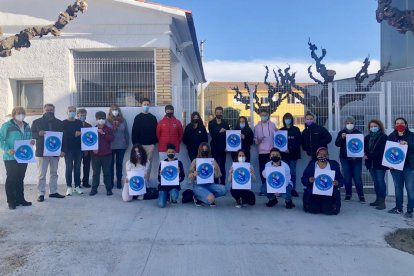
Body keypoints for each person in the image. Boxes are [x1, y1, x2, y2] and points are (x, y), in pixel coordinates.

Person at [0, 107, 34, 209]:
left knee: (20, 178)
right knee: (11, 178)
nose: (21, 115)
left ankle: (20, 199)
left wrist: (31, 142)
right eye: (19, 113)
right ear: (14, 114)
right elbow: (0, 139)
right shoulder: (7, 126)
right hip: (11, 157)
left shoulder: (27, 126)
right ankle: (11, 201)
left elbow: (29, 139)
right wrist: (7, 149)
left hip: (24, 157)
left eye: (23, 113)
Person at [31, 104, 66, 202]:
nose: (49, 112)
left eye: (51, 110)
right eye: (47, 110)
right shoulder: (36, 122)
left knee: (54, 173)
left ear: (54, 110)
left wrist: (62, 150)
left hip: (55, 152)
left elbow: (63, 138)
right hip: (42, 152)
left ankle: (53, 192)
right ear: (43, 110)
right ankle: (41, 193)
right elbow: (31, 134)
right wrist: (38, 134)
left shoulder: (59, 123)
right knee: (41, 174)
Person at [301, 147, 343, 215]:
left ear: (328, 155)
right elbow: (303, 179)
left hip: (328, 193)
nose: (323, 156)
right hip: (314, 192)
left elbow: (341, 180)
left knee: (328, 211)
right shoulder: (312, 165)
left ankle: (328, 204)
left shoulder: (333, 165)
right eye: (320, 154)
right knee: (313, 210)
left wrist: (337, 182)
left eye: (325, 154)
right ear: (317, 155)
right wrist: (309, 180)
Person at [387, 117, 414, 218]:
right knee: (398, 188)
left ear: (406, 125)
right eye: (397, 123)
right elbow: (387, 151)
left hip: (409, 166)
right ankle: (398, 208)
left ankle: (410, 209)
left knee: (410, 188)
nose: (399, 125)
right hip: (395, 166)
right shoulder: (391, 136)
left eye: (401, 123)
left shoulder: (411, 136)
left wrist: (408, 144)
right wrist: (388, 162)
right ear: (395, 125)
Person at [335, 116, 365, 202]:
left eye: (351, 123)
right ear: (345, 124)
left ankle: (361, 195)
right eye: (347, 123)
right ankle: (348, 194)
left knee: (357, 178)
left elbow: (361, 146)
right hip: (345, 159)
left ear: (354, 123)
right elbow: (337, 144)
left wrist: (358, 155)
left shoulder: (358, 133)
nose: (349, 124)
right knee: (347, 178)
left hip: (357, 159)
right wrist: (342, 137)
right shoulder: (341, 132)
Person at [188, 142, 227, 206]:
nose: (204, 151)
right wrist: (193, 174)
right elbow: (189, 176)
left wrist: (215, 167)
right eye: (203, 150)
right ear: (200, 151)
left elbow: (218, 175)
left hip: (209, 185)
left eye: (206, 150)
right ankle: (198, 197)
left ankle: (206, 196)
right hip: (198, 185)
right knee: (211, 200)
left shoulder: (212, 161)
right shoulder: (195, 161)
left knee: (224, 190)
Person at [131, 98, 158, 183]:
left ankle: (146, 182)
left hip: (150, 145)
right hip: (139, 146)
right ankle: (140, 182)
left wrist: (154, 143)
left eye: (147, 104)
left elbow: (156, 132)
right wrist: (136, 145)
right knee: (139, 164)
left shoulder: (153, 118)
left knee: (148, 165)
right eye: (144, 104)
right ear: (141, 105)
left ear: (149, 105)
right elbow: (134, 132)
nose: (146, 106)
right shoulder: (137, 117)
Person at [364, 119, 388, 210]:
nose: (373, 128)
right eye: (371, 126)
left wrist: (368, 156)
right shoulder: (367, 137)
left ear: (379, 127)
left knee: (380, 182)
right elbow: (364, 148)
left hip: (379, 164)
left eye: (375, 126)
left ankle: (382, 202)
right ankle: (378, 199)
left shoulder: (383, 137)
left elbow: (381, 151)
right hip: (370, 164)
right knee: (376, 182)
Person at [89, 111, 114, 196]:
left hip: (107, 154)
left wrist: (103, 133)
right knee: (96, 173)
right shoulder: (92, 130)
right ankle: (94, 189)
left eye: (103, 118)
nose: (101, 120)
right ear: (96, 119)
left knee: (107, 172)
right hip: (95, 155)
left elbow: (111, 139)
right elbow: (89, 142)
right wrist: (92, 149)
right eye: (99, 118)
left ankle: (109, 189)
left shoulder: (109, 129)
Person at [254, 108, 277, 195]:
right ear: (260, 116)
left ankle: (273, 188)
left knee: (272, 169)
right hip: (262, 152)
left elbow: (277, 136)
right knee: (262, 170)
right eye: (262, 115)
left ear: (268, 116)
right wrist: (258, 141)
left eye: (265, 115)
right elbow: (255, 140)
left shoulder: (272, 125)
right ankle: (264, 188)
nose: (264, 117)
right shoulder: (257, 127)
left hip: (272, 152)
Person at [107, 104, 129, 189]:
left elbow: (126, 132)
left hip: (121, 146)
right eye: (113, 110)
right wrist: (113, 128)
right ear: (110, 111)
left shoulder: (123, 121)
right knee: (111, 165)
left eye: (116, 109)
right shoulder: (107, 121)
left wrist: (127, 143)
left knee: (119, 164)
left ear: (119, 111)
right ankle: (111, 182)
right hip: (110, 146)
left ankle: (119, 181)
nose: (115, 111)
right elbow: (106, 133)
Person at [63, 106, 83, 196]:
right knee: (69, 168)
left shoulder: (79, 122)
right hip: (68, 149)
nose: (72, 112)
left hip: (78, 148)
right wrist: (73, 134)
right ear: (67, 112)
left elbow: (82, 134)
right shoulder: (63, 123)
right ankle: (69, 187)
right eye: (70, 111)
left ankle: (77, 186)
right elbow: (63, 136)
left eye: (74, 111)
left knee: (78, 168)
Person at [280, 113, 302, 197]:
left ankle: (293, 189)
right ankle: (284, 188)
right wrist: (283, 150)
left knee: (292, 172)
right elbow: (279, 142)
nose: (287, 120)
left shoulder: (296, 129)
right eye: (286, 118)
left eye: (289, 118)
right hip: (284, 155)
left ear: (291, 119)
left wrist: (291, 149)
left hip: (293, 155)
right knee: (284, 172)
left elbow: (299, 141)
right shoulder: (281, 130)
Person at [157, 144, 185, 208]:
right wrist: (160, 175)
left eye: (172, 152)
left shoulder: (179, 163)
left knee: (174, 196)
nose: (171, 153)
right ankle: (165, 195)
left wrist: (179, 173)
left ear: (175, 152)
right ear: (166, 152)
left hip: (174, 186)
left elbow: (182, 177)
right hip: (163, 187)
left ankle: (171, 197)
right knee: (161, 205)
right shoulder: (163, 163)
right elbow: (159, 179)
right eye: (169, 152)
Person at [208, 106, 230, 185]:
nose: (219, 114)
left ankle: (223, 184)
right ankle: (216, 183)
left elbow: (229, 135)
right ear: (215, 113)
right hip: (214, 147)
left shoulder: (225, 123)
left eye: (220, 113)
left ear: (222, 113)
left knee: (222, 167)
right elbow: (212, 134)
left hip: (223, 148)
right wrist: (219, 131)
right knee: (215, 166)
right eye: (217, 113)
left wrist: (228, 146)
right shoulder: (211, 123)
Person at [77, 108, 92, 188]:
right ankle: (78, 183)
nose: (83, 117)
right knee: (77, 166)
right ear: (77, 116)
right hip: (77, 149)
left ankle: (85, 182)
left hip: (87, 150)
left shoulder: (89, 125)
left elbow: (91, 138)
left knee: (87, 166)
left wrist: (87, 149)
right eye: (81, 115)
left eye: (84, 115)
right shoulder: (74, 125)